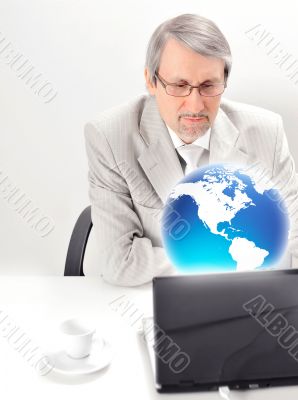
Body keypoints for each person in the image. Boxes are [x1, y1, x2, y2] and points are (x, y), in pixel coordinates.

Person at [84, 13, 298, 286]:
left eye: (209, 85)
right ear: (151, 80)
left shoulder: (268, 133)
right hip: (151, 301)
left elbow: (294, 245)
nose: (195, 106)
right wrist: (231, 257)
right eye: (179, 85)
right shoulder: (109, 137)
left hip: (249, 300)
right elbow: (120, 262)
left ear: (224, 81)